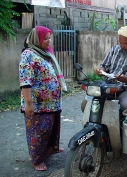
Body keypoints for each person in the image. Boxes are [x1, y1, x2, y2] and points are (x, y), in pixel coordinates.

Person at [19, 26, 67, 171]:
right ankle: (37, 159)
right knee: (38, 132)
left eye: (49, 38)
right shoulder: (28, 54)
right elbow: (25, 80)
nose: (48, 41)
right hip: (37, 104)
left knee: (50, 129)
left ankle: (51, 149)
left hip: (51, 103)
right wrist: (28, 103)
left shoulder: (45, 54)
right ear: (37, 39)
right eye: (45, 38)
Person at [81, 25, 127, 112]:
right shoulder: (114, 49)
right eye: (121, 43)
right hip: (107, 86)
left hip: (126, 89)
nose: (122, 46)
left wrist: (126, 79)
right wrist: (101, 70)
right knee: (85, 104)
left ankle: (120, 124)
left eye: (126, 44)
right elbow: (104, 65)